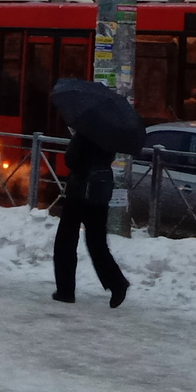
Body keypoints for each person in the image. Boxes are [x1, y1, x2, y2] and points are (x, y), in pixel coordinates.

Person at [53, 131, 129, 307]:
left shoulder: (85, 133)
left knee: (66, 241)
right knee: (97, 243)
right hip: (99, 193)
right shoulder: (110, 135)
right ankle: (117, 283)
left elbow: (71, 160)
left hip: (79, 192)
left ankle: (65, 290)